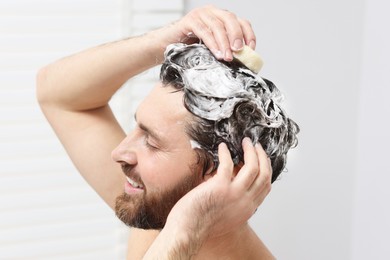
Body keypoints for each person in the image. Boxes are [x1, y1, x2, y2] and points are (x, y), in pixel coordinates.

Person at [36, 5, 298, 259]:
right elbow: (58, 95)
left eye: (152, 142)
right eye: (137, 128)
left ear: (227, 173)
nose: (119, 152)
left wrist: (185, 232)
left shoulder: (169, 225)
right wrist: (162, 41)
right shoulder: (159, 212)